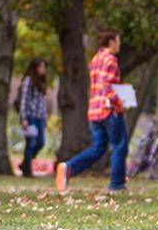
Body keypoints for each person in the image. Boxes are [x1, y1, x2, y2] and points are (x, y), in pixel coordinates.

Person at [55, 29, 128, 192]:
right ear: (111, 43)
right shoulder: (110, 59)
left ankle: (68, 168)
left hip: (95, 111)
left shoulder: (95, 59)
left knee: (98, 149)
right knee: (119, 145)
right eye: (118, 41)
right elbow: (107, 85)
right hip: (109, 110)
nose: (119, 44)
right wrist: (119, 102)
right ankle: (117, 184)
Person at [16, 58, 50, 178]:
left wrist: (45, 118)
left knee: (41, 142)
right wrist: (23, 117)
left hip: (40, 117)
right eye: (41, 66)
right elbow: (24, 100)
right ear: (35, 68)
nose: (43, 69)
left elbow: (43, 102)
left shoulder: (42, 82)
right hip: (30, 116)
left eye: (44, 67)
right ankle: (27, 170)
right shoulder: (28, 81)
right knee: (30, 143)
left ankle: (25, 163)